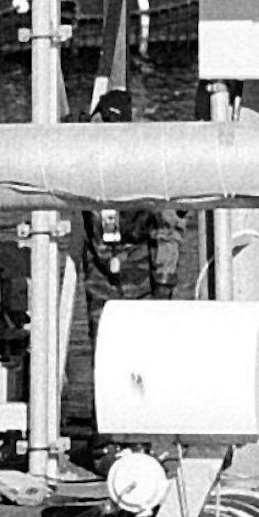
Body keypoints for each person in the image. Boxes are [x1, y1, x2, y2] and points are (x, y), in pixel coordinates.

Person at [78, 88, 188, 340]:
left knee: (145, 356)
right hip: (100, 275)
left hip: (142, 278)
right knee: (105, 350)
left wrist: (163, 284)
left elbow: (168, 228)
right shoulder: (83, 156)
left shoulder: (144, 165)